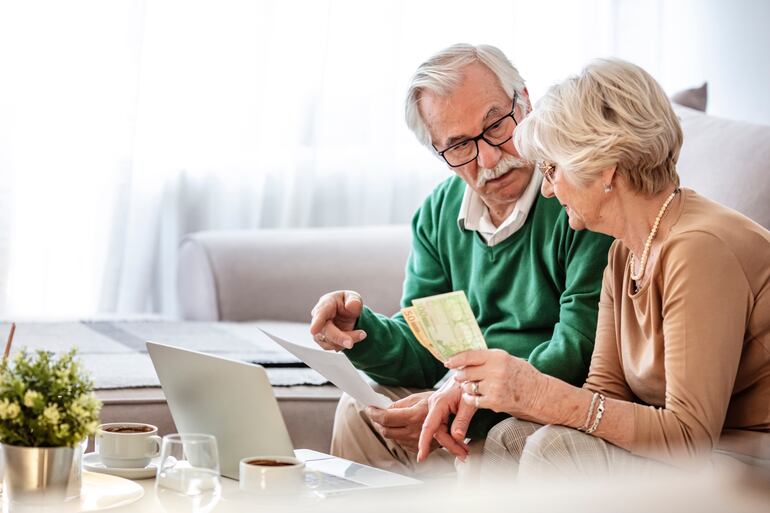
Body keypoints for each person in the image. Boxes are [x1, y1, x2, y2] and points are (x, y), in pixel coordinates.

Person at [418, 57, 770, 476]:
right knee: (510, 435)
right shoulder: (624, 253)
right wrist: (510, 394)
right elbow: (603, 393)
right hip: (693, 450)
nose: (547, 189)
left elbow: (690, 435)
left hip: (745, 454)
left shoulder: (699, 249)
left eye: (553, 169)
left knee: (555, 449)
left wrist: (536, 392)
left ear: (604, 169)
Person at [308, 44, 613, 475]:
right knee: (359, 409)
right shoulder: (437, 214)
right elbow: (427, 347)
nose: (489, 159)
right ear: (437, 151)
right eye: (459, 146)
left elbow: (578, 351)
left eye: (496, 126)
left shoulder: (576, 198)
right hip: (465, 398)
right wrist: (360, 330)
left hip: (538, 401)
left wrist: (461, 403)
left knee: (487, 445)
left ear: (525, 101)